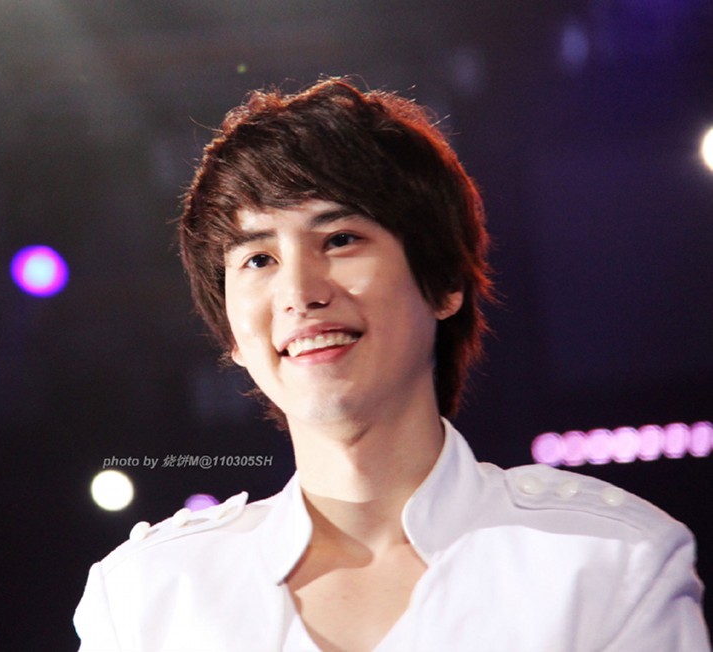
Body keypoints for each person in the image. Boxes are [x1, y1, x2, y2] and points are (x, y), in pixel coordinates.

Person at [74, 78, 710, 651]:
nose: (299, 291)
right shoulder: (149, 599)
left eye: (340, 239)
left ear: (444, 282)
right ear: (233, 336)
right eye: (258, 259)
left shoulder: (605, 566)